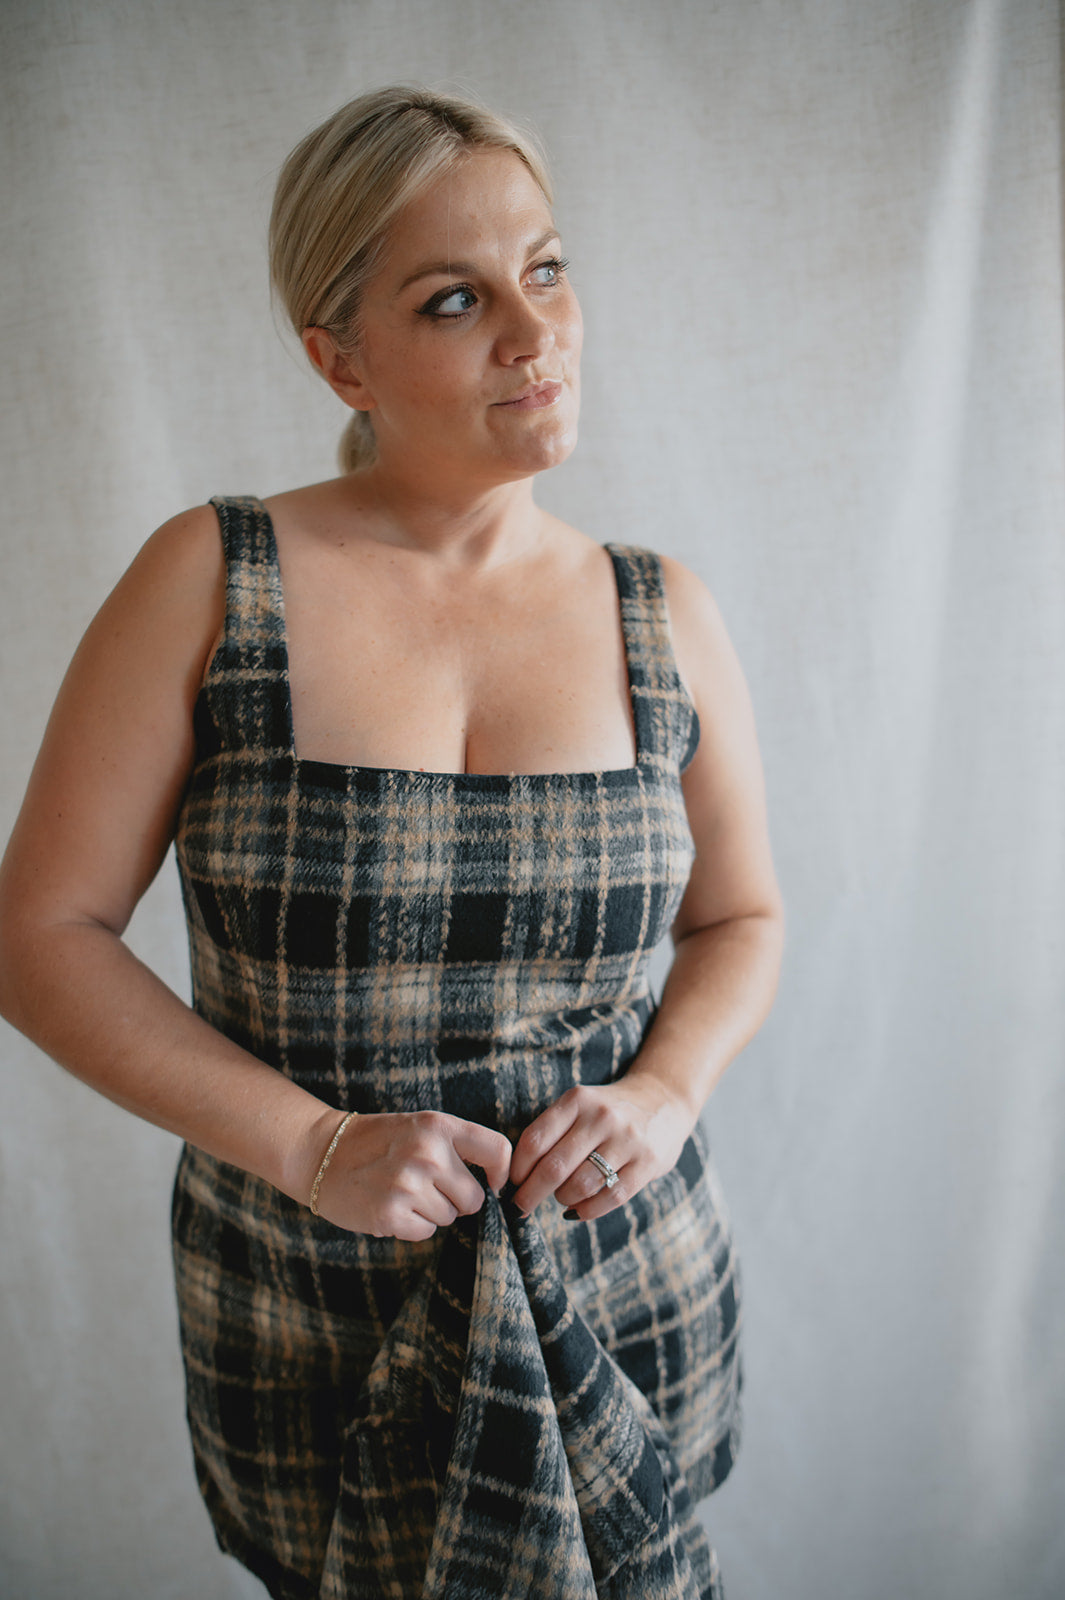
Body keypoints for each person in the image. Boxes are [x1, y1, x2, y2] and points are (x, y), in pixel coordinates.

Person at [0, 86, 784, 1599]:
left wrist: (666, 1093)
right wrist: (315, 1148)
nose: (534, 333)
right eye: (454, 299)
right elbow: (38, 938)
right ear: (338, 357)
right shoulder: (211, 581)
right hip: (306, 1302)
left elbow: (741, 918)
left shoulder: (661, 611)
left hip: (622, 1280)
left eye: (545, 270)